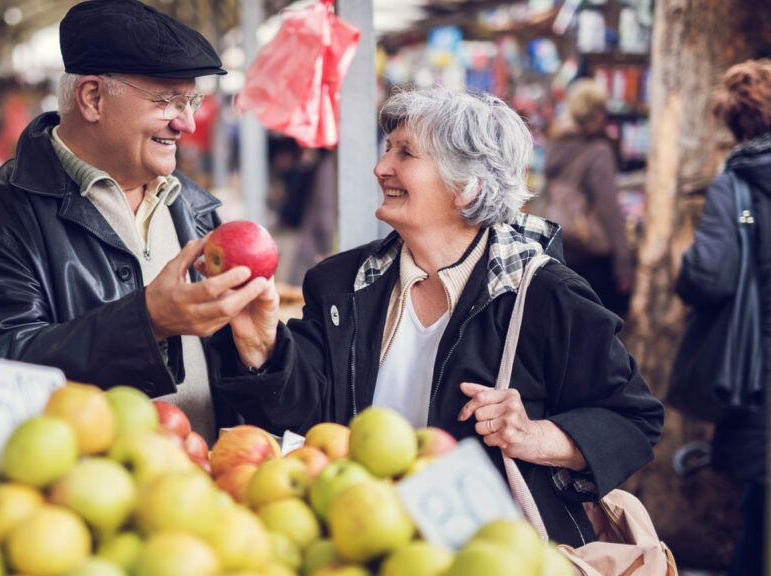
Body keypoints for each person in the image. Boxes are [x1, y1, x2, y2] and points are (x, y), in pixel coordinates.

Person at [206, 87, 664, 545]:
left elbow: (633, 418)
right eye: (388, 149)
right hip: (358, 540)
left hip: (489, 554)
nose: (381, 167)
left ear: (468, 188)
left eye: (406, 153)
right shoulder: (341, 282)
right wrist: (260, 342)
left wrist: (536, 435)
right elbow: (303, 413)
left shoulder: (545, 294)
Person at [0, 0, 270, 444]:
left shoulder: (194, 206)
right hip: (82, 489)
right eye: (168, 100)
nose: (187, 123)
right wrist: (148, 320)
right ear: (93, 98)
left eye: (190, 100)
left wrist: (263, 353)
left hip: (204, 486)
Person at [675, 59, 771, 576]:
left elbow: (709, 276)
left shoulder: (737, 184)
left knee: (759, 527)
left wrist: (681, 263)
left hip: (762, 380)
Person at [543, 79, 634, 318]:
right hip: (594, 254)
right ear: (597, 114)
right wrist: (623, 264)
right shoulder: (598, 152)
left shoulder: (556, 146)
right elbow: (610, 210)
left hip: (562, 248)